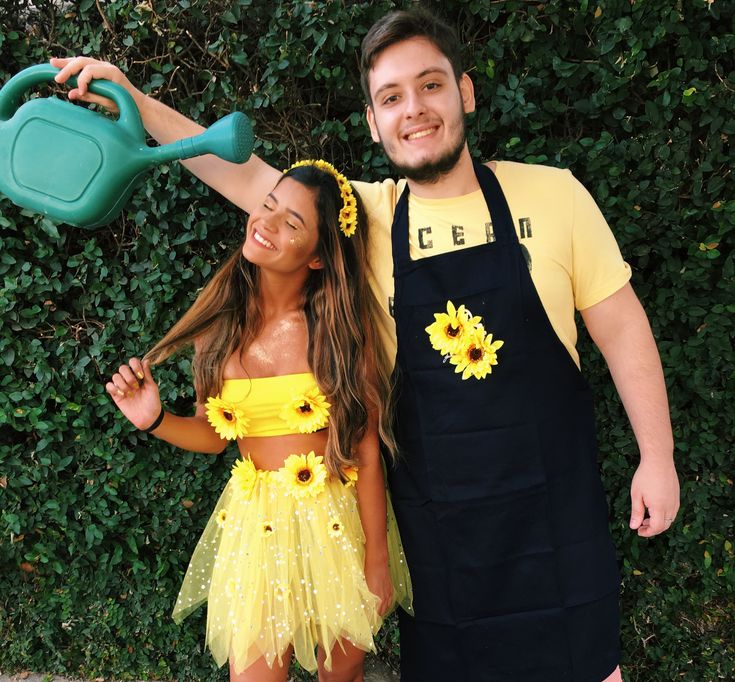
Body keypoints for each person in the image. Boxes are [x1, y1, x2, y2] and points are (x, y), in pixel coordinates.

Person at [57, 7, 680, 680]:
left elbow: (620, 326)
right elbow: (239, 176)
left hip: (553, 518)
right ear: (372, 122)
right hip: (437, 530)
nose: (413, 109)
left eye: (430, 85)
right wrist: (134, 98)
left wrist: (657, 456)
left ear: (464, 92)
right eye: (390, 97)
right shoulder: (361, 218)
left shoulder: (553, 196)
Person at [104, 160, 412, 682]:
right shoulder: (217, 331)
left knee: (343, 674)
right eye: (267, 205)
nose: (266, 223)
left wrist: (377, 561)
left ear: (317, 257)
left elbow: (364, 449)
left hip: (334, 522)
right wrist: (155, 420)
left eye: (292, 223)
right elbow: (213, 436)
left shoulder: (338, 332)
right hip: (255, 526)